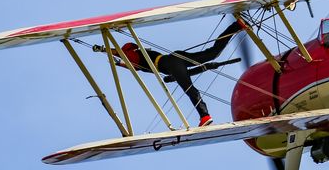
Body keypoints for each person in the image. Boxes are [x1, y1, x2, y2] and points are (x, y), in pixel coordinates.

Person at [104, 22, 242, 127]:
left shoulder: (136, 56)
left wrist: (105, 50)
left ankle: (205, 116)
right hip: (175, 60)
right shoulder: (140, 63)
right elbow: (186, 73)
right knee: (213, 54)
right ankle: (236, 26)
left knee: (190, 90)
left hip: (171, 63)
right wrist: (205, 67)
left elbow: (124, 56)